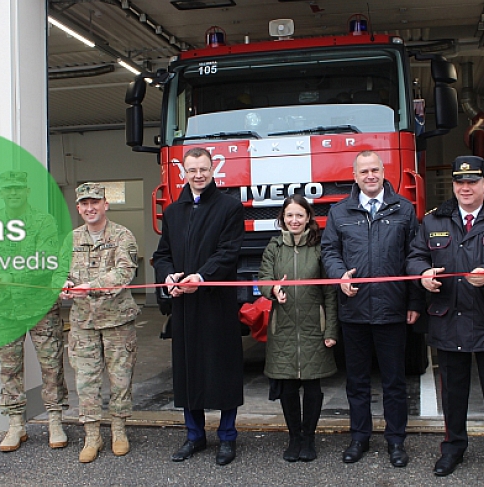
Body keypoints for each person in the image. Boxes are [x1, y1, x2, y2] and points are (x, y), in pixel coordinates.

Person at [406, 155, 484, 483]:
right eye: (460, 182)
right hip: (449, 318)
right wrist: (423, 274)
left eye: (472, 182)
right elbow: (415, 256)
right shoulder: (434, 221)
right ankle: (453, 448)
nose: (465, 188)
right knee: (454, 392)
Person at [321, 150, 422, 467]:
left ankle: (396, 442)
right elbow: (329, 252)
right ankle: (359, 438)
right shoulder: (340, 213)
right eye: (363, 171)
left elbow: (415, 258)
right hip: (354, 311)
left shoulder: (404, 211)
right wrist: (339, 277)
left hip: (393, 309)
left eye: (374, 170)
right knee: (358, 382)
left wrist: (415, 301)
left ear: (383, 171)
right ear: (355, 176)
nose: (369, 176)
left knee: (394, 382)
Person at [153, 147, 245, 466]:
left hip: (216, 304)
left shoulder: (230, 208)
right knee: (188, 370)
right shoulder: (174, 212)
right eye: (192, 170)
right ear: (183, 172)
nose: (198, 175)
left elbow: (229, 251)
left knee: (223, 369)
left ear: (212, 169)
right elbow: (163, 253)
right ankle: (194, 436)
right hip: (184, 306)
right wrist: (169, 276)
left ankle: (227, 437)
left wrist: (201, 276)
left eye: (203, 169)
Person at [0, 171, 68, 452]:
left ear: (27, 191)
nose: (13, 193)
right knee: (9, 368)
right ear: (1, 192)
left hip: (40, 307)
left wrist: (8, 273)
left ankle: (55, 420)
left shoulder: (43, 221)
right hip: (5, 308)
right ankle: (15, 424)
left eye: (18, 188)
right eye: (8, 189)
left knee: (51, 365)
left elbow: (45, 261)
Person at [58, 182, 139, 463]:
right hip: (83, 323)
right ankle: (92, 436)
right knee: (86, 380)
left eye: (95, 202)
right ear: (78, 208)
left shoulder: (122, 236)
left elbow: (124, 272)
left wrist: (88, 285)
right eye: (84, 204)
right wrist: (66, 284)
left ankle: (119, 430)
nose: (90, 208)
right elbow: (59, 273)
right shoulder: (71, 239)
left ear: (106, 204)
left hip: (117, 321)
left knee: (120, 380)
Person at [258, 194, 338, 462]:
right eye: (289, 215)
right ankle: (294, 438)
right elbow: (263, 279)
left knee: (313, 387)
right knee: (288, 387)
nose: (294, 220)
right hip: (284, 326)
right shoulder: (274, 246)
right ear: (283, 218)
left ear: (308, 218)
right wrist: (273, 289)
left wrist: (331, 331)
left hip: (314, 325)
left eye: (299, 215)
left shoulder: (319, 247)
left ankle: (309, 439)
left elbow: (329, 292)